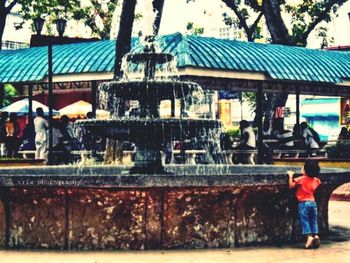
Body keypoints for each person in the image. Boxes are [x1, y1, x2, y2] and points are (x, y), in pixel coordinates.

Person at [288, 160, 321, 249]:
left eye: (303, 167)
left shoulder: (301, 179)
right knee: (313, 220)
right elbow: (316, 184)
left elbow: (291, 186)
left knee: (305, 221)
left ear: (305, 171)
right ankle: (316, 235)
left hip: (303, 203)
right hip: (313, 203)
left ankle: (309, 237)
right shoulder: (316, 180)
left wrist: (291, 176)